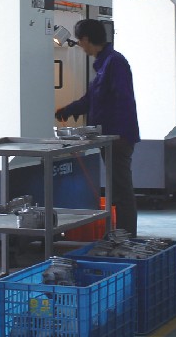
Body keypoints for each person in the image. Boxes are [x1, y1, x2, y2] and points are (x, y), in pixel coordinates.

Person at [55, 19, 141, 237]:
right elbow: (92, 98)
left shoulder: (115, 62)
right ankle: (122, 235)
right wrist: (68, 109)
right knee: (117, 189)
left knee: (121, 190)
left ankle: (126, 238)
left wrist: (111, 133)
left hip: (118, 137)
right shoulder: (104, 63)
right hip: (110, 136)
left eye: (79, 41)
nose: (79, 46)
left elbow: (120, 99)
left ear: (86, 39)